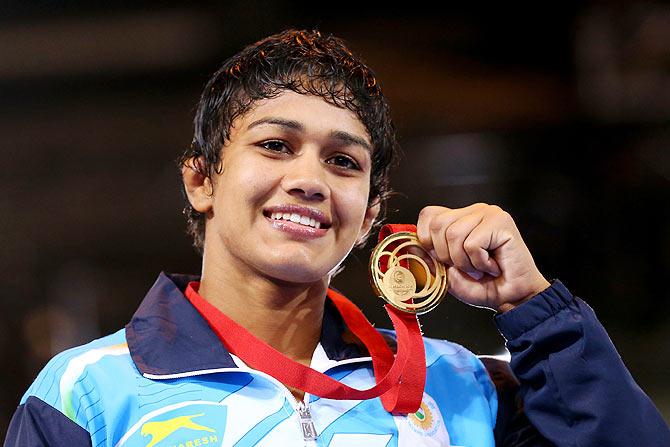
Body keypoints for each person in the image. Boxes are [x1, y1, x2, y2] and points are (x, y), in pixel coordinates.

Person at [5, 29, 669, 447]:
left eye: (343, 161)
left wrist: (532, 308)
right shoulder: (87, 395)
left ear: (371, 211)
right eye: (275, 146)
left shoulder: (461, 387)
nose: (309, 180)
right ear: (202, 180)